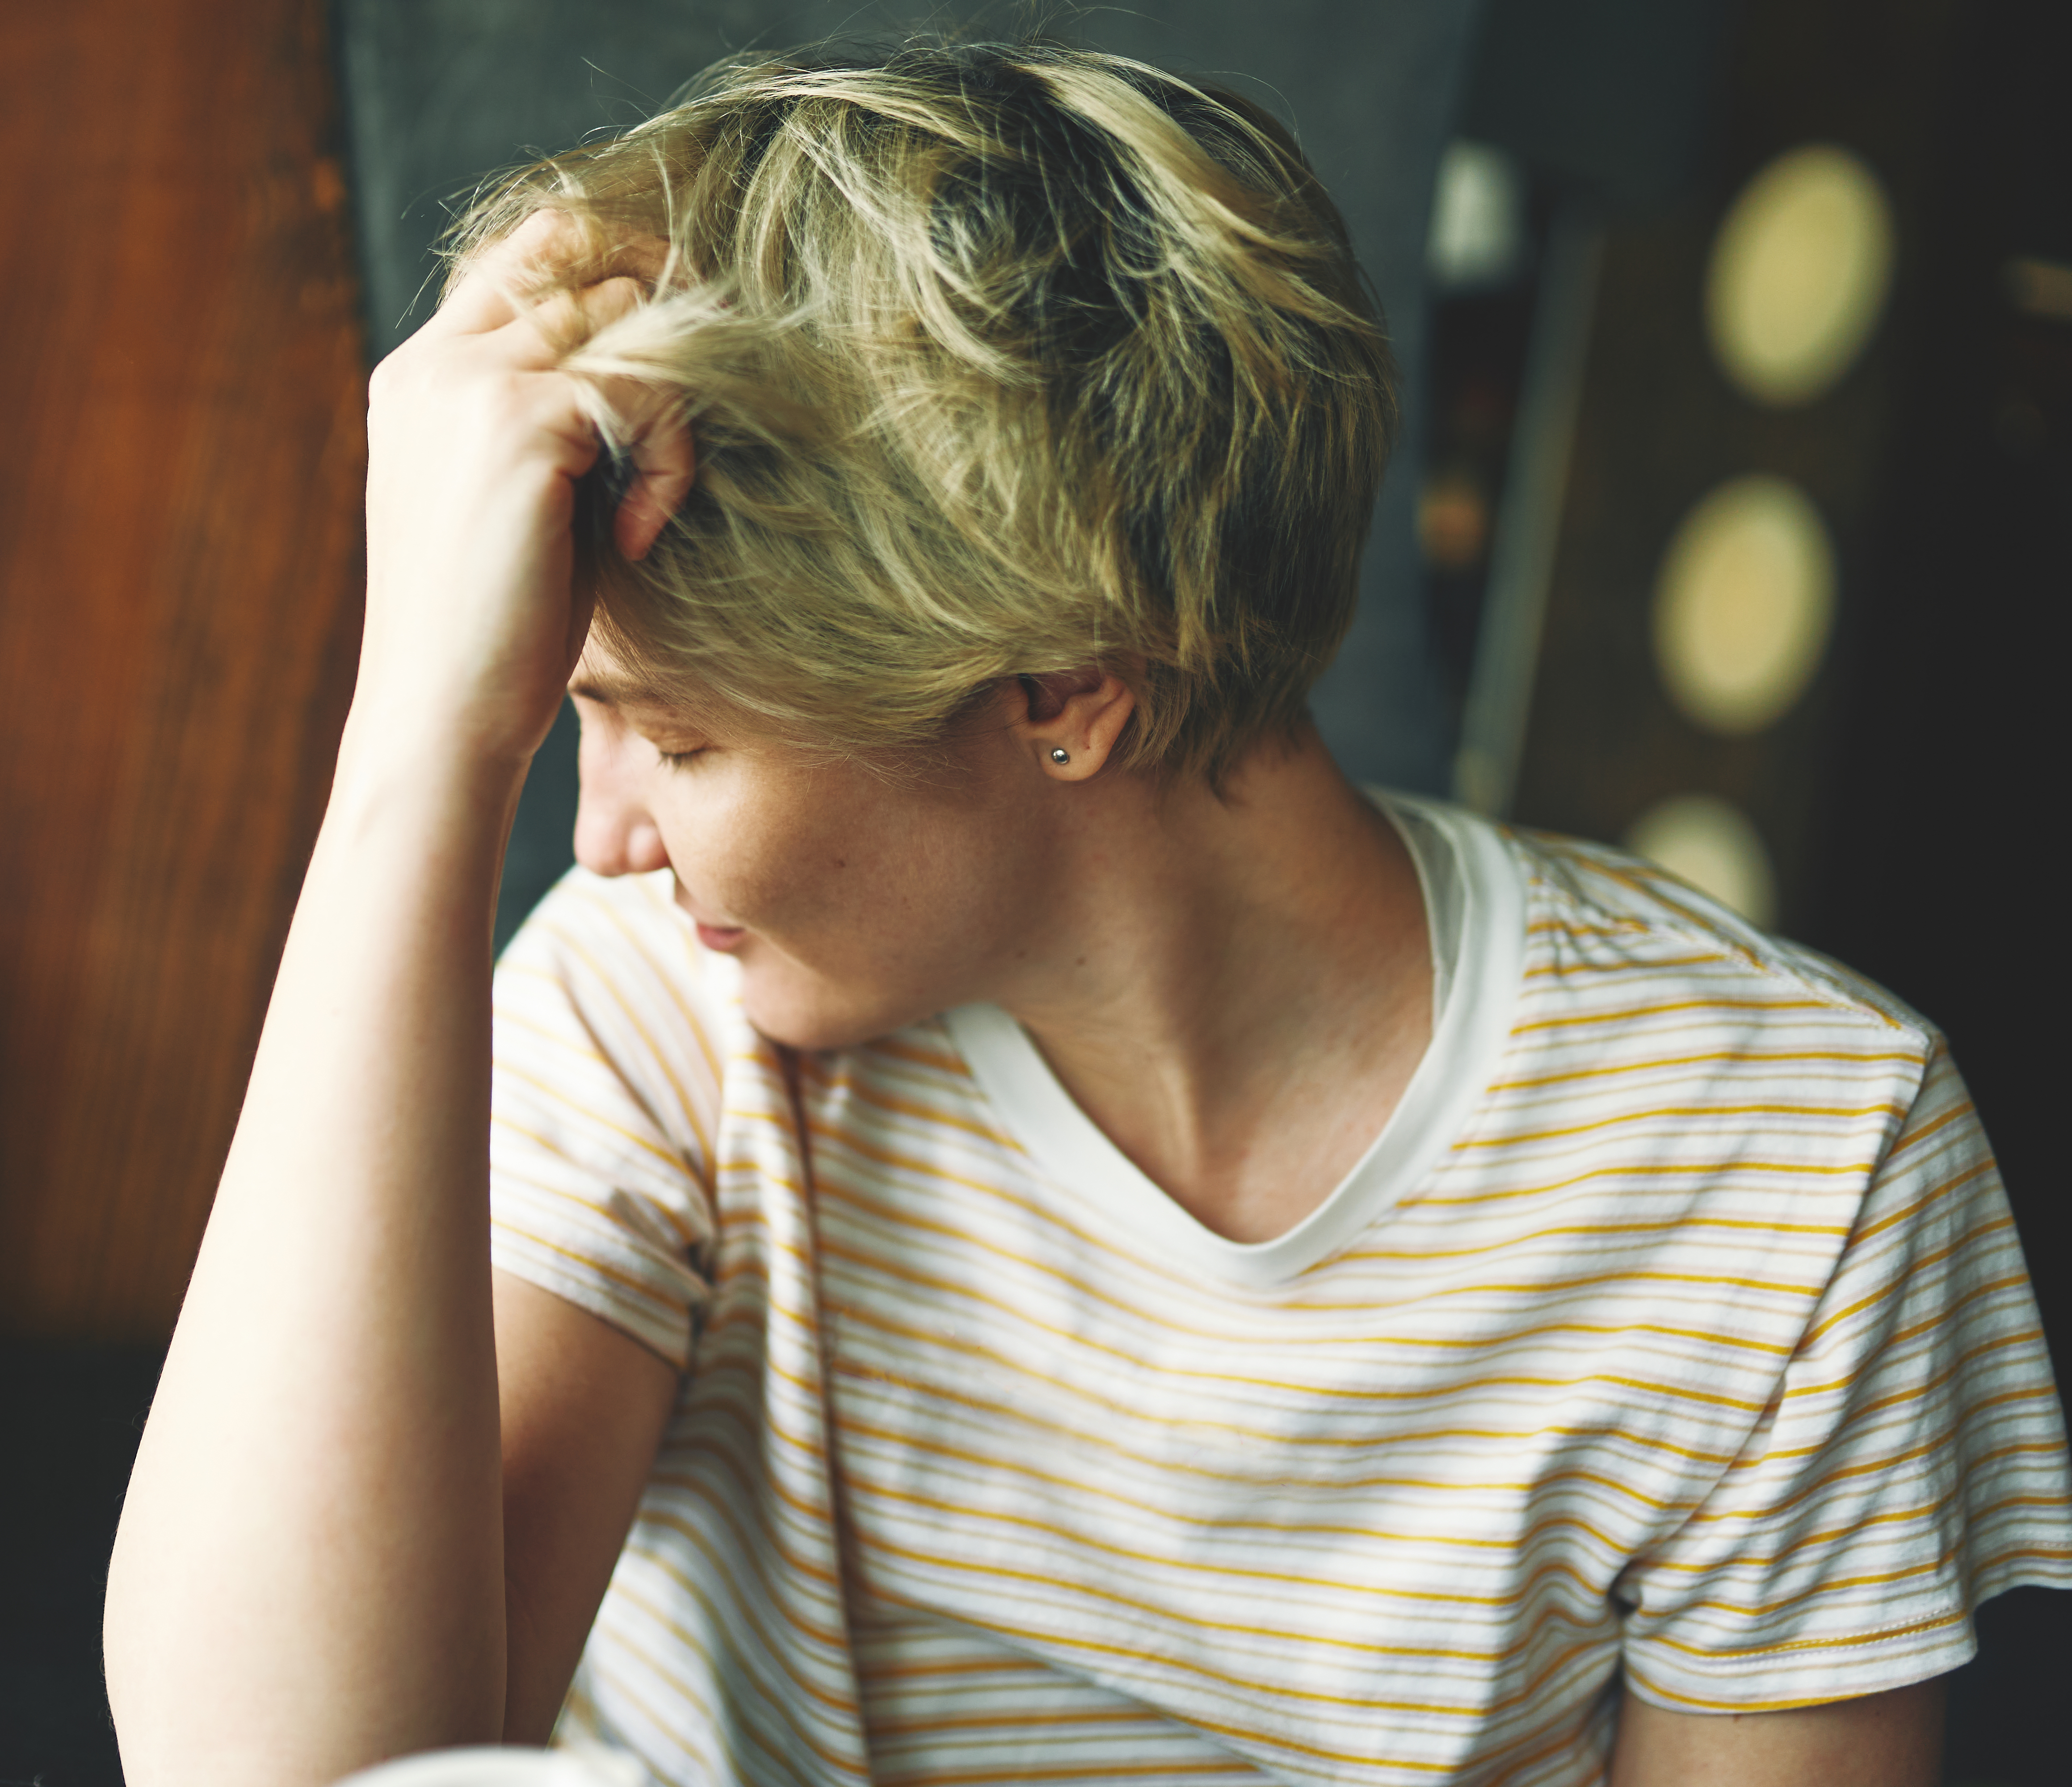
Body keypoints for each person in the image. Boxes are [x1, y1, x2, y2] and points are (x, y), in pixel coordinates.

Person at [102, 38, 2072, 1787]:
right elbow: (276, 1771)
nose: (600, 836)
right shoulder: (656, 1012)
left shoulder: (1800, 1169)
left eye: (672, 742)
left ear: (1063, 691)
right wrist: (411, 757)